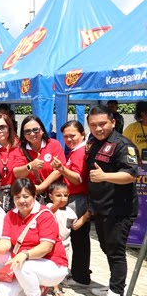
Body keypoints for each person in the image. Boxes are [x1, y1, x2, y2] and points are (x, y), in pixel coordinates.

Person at [0, 178, 68, 296]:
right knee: (3, 294)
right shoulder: (10, 215)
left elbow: (46, 247)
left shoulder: (45, 214)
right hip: (26, 264)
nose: (21, 201)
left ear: (34, 196)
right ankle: (37, 288)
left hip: (53, 266)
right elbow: (6, 242)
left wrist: (25, 254)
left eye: (26, 196)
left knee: (22, 265)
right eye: (17, 197)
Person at [86, 105, 139, 296]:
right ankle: (115, 286)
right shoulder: (93, 143)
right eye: (93, 125)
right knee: (107, 248)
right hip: (101, 208)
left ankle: (117, 295)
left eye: (103, 124)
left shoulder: (123, 145)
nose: (98, 128)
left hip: (120, 210)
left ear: (113, 122)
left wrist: (105, 176)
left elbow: (131, 174)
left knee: (116, 251)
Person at [50, 120, 91, 285]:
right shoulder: (75, 151)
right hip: (74, 198)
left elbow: (77, 179)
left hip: (78, 199)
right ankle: (79, 273)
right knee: (77, 238)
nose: (69, 139)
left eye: (72, 135)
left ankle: (80, 276)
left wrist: (62, 169)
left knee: (77, 237)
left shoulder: (80, 152)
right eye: (65, 136)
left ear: (82, 134)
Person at [45, 181, 91, 296]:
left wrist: (86, 215)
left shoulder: (70, 212)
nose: (63, 198)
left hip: (64, 245)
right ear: (51, 196)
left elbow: (74, 226)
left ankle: (54, 284)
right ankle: (55, 287)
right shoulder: (49, 207)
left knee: (61, 266)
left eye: (65, 195)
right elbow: (50, 212)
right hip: (50, 244)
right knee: (49, 264)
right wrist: (57, 203)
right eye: (58, 195)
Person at [12, 115, 65, 198]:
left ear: (42, 130)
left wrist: (41, 187)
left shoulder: (54, 144)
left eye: (35, 130)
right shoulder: (20, 149)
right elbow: (17, 173)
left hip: (53, 195)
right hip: (29, 196)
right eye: (27, 131)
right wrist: (30, 166)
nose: (32, 133)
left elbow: (59, 170)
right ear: (23, 134)